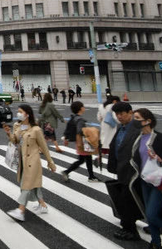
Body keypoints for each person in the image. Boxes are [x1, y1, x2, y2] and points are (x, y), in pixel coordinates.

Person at [4, 104, 57, 222]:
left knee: (26, 185)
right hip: (22, 161)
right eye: (18, 111)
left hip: (33, 161)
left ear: (27, 114)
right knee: (32, 184)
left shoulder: (36, 129)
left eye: (20, 111)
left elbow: (44, 147)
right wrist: (8, 134)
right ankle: (42, 205)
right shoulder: (17, 126)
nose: (18, 114)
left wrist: (50, 162)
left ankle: (20, 210)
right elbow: (15, 141)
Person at [107, 101, 142, 240]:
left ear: (130, 113)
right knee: (130, 199)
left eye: (121, 114)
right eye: (117, 114)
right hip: (122, 169)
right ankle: (131, 225)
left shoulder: (138, 127)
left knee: (128, 199)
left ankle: (130, 230)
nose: (119, 117)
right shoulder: (122, 127)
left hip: (134, 171)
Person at [131, 108, 162, 249]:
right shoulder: (138, 138)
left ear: (148, 121)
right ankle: (155, 242)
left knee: (152, 214)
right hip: (144, 180)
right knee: (149, 215)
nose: (134, 120)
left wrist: (159, 158)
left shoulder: (159, 138)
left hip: (158, 182)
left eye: (137, 118)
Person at [61, 101, 100, 182]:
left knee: (85, 159)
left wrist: (66, 138)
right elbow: (80, 131)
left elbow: (68, 128)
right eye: (83, 106)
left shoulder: (73, 117)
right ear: (80, 108)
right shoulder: (80, 120)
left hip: (79, 142)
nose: (84, 108)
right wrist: (89, 132)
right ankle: (67, 172)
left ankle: (91, 176)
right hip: (82, 142)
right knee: (84, 159)